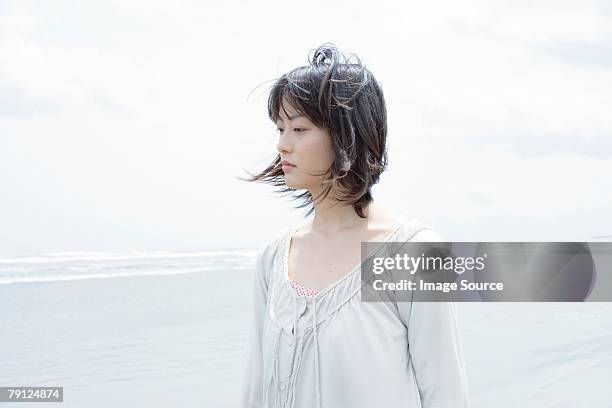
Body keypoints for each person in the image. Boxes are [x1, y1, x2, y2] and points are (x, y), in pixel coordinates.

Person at [241, 43, 469, 408]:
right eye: (280, 129)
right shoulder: (274, 259)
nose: (282, 145)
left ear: (347, 136)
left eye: (299, 128)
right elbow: (255, 390)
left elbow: (445, 394)